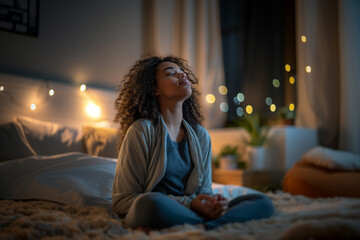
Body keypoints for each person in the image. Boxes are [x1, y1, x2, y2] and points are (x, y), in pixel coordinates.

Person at [112, 55, 274, 230]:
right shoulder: (141, 130)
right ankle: (212, 225)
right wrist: (190, 204)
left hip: (190, 213)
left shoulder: (200, 135)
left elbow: (204, 192)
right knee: (149, 203)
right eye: (170, 73)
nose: (182, 75)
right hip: (159, 209)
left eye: (182, 72)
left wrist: (211, 203)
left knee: (262, 201)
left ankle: (204, 225)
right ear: (155, 89)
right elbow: (124, 201)